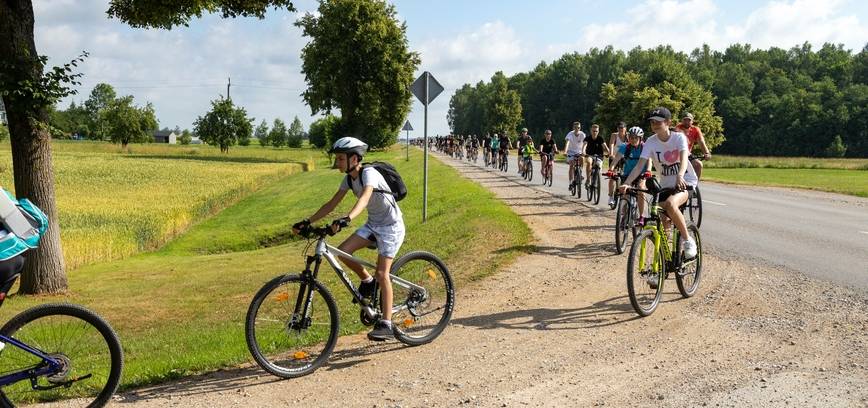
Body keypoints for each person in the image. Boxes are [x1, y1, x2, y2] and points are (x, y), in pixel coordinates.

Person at [293, 137, 405, 341]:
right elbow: (331, 204)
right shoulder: (348, 179)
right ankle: (367, 281)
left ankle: (387, 324)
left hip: (391, 227)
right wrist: (307, 221)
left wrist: (348, 218)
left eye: (341, 158)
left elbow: (365, 197)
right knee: (344, 252)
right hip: (373, 225)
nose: (337, 162)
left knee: (382, 273)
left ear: (354, 158)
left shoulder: (369, 173)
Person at [619, 107, 699, 259]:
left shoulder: (678, 138)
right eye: (652, 122)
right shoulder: (650, 142)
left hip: (685, 182)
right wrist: (627, 183)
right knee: (661, 220)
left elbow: (683, 160)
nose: (655, 124)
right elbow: (639, 166)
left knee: (670, 204)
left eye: (659, 122)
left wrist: (680, 175)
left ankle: (688, 240)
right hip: (666, 185)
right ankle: (663, 262)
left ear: (668, 122)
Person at [607, 126, 649, 221]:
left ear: (640, 138)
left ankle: (642, 216)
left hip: (641, 174)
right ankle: (623, 216)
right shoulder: (625, 147)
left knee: (641, 189)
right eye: (631, 137)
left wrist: (648, 170)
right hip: (627, 174)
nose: (633, 140)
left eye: (635, 138)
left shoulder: (645, 147)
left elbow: (649, 161)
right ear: (628, 137)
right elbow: (615, 160)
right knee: (624, 194)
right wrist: (611, 170)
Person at [674, 112, 711, 178]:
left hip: (687, 154)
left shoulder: (695, 129)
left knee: (698, 164)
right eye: (685, 120)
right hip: (676, 153)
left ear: (692, 121)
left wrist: (706, 153)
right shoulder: (678, 128)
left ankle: (695, 186)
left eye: (689, 120)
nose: (687, 122)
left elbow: (701, 142)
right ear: (682, 120)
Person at [582, 124, 610, 194]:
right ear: (591, 131)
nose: (595, 132)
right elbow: (584, 146)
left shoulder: (600, 139)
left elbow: (605, 147)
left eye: (596, 131)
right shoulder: (587, 138)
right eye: (593, 131)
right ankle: (588, 180)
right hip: (589, 155)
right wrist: (583, 152)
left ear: (598, 131)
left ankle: (596, 180)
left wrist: (609, 153)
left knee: (598, 167)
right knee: (589, 162)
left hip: (599, 156)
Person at [563, 121, 586, 190]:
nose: (577, 129)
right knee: (571, 165)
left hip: (579, 152)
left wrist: (584, 151)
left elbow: (585, 143)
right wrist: (565, 151)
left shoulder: (582, 134)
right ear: (573, 128)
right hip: (571, 152)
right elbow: (567, 143)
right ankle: (570, 183)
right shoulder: (570, 134)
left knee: (582, 158)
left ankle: (580, 172)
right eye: (575, 127)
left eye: (578, 128)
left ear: (580, 128)